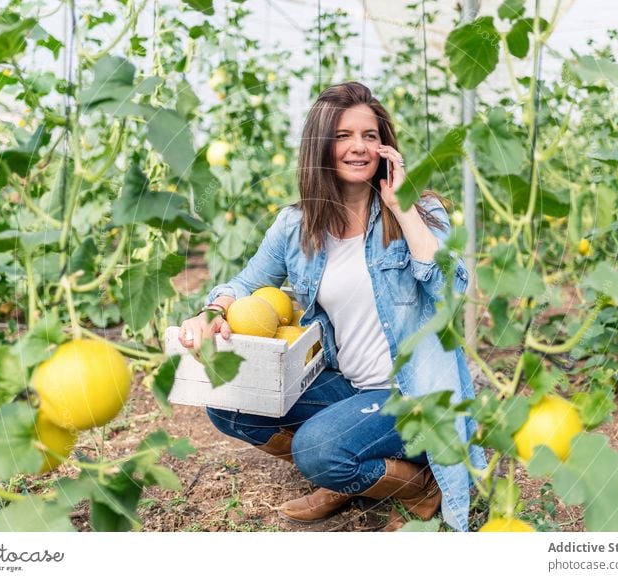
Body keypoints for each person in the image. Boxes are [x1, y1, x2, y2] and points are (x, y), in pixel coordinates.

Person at [178, 81, 484, 532]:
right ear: (321, 146)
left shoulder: (422, 212)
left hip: (413, 397)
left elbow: (447, 287)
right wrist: (213, 311)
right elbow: (246, 283)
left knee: (317, 450)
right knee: (230, 401)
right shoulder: (297, 225)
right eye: (343, 136)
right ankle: (350, 470)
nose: (358, 147)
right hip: (352, 389)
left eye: (369, 136)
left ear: (384, 146)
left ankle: (418, 484)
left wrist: (401, 207)